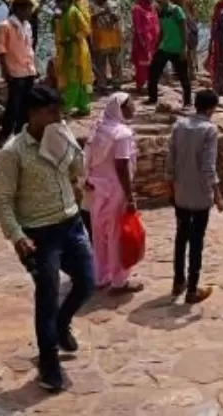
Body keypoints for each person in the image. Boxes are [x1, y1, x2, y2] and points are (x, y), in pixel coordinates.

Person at [0, 85, 95, 393]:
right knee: (47, 298)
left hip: (71, 222)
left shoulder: (59, 136)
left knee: (88, 282)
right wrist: (17, 235)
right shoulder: (14, 152)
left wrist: (69, 141)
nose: (57, 117)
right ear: (33, 114)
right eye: (52, 112)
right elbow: (2, 202)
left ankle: (62, 325)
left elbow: (80, 169)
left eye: (59, 112)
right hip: (39, 232)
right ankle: (49, 363)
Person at [166, 89, 223, 303]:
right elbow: (208, 166)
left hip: (181, 191)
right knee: (196, 240)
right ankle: (192, 289)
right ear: (211, 108)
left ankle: (178, 281)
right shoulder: (209, 130)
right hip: (200, 194)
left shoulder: (179, 126)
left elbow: (170, 161)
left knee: (181, 236)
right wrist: (218, 195)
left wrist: (170, 188)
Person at [84, 93, 142, 295]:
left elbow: (87, 157)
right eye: (131, 104)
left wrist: (85, 180)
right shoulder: (122, 134)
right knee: (117, 233)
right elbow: (122, 166)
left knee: (99, 233)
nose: (134, 108)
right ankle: (119, 281)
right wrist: (130, 195)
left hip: (96, 187)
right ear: (121, 108)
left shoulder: (98, 128)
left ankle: (101, 276)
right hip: (115, 188)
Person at [0, 0, 38, 146]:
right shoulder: (5, 26)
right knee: (13, 105)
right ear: (19, 9)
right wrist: (5, 71)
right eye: (28, 10)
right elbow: (1, 50)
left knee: (26, 105)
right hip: (14, 70)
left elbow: (29, 48)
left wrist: (33, 67)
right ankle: (4, 135)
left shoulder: (27, 26)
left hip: (28, 69)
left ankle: (21, 134)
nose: (30, 13)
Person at [146, 0, 191, 108]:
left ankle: (187, 102)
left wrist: (183, 48)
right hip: (164, 48)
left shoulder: (176, 10)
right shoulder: (160, 11)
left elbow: (184, 29)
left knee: (183, 76)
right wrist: (156, 45)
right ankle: (152, 98)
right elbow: (162, 30)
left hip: (177, 49)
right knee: (153, 72)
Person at [52, 0, 93, 117]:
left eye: (60, 2)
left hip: (77, 50)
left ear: (66, 1)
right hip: (65, 51)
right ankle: (83, 106)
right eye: (57, 3)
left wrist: (71, 39)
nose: (58, 5)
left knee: (74, 80)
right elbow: (54, 29)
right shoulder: (61, 14)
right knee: (77, 79)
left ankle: (66, 106)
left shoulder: (74, 11)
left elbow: (86, 29)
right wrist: (55, 18)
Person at [89, 0, 122, 93]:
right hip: (100, 40)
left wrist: (114, 16)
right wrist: (102, 13)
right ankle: (102, 85)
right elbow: (88, 19)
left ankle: (116, 83)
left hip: (114, 39)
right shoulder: (90, 7)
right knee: (100, 65)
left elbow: (118, 17)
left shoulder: (112, 5)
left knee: (116, 63)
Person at [171, 0, 199, 83]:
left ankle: (181, 72)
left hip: (180, 23)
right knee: (189, 49)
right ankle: (190, 72)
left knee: (181, 49)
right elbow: (192, 11)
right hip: (189, 23)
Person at [131, 0, 160, 91]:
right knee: (142, 64)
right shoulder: (137, 9)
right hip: (142, 42)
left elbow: (155, 24)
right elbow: (138, 27)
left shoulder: (152, 9)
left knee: (150, 64)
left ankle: (149, 84)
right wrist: (142, 41)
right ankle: (140, 85)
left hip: (152, 42)